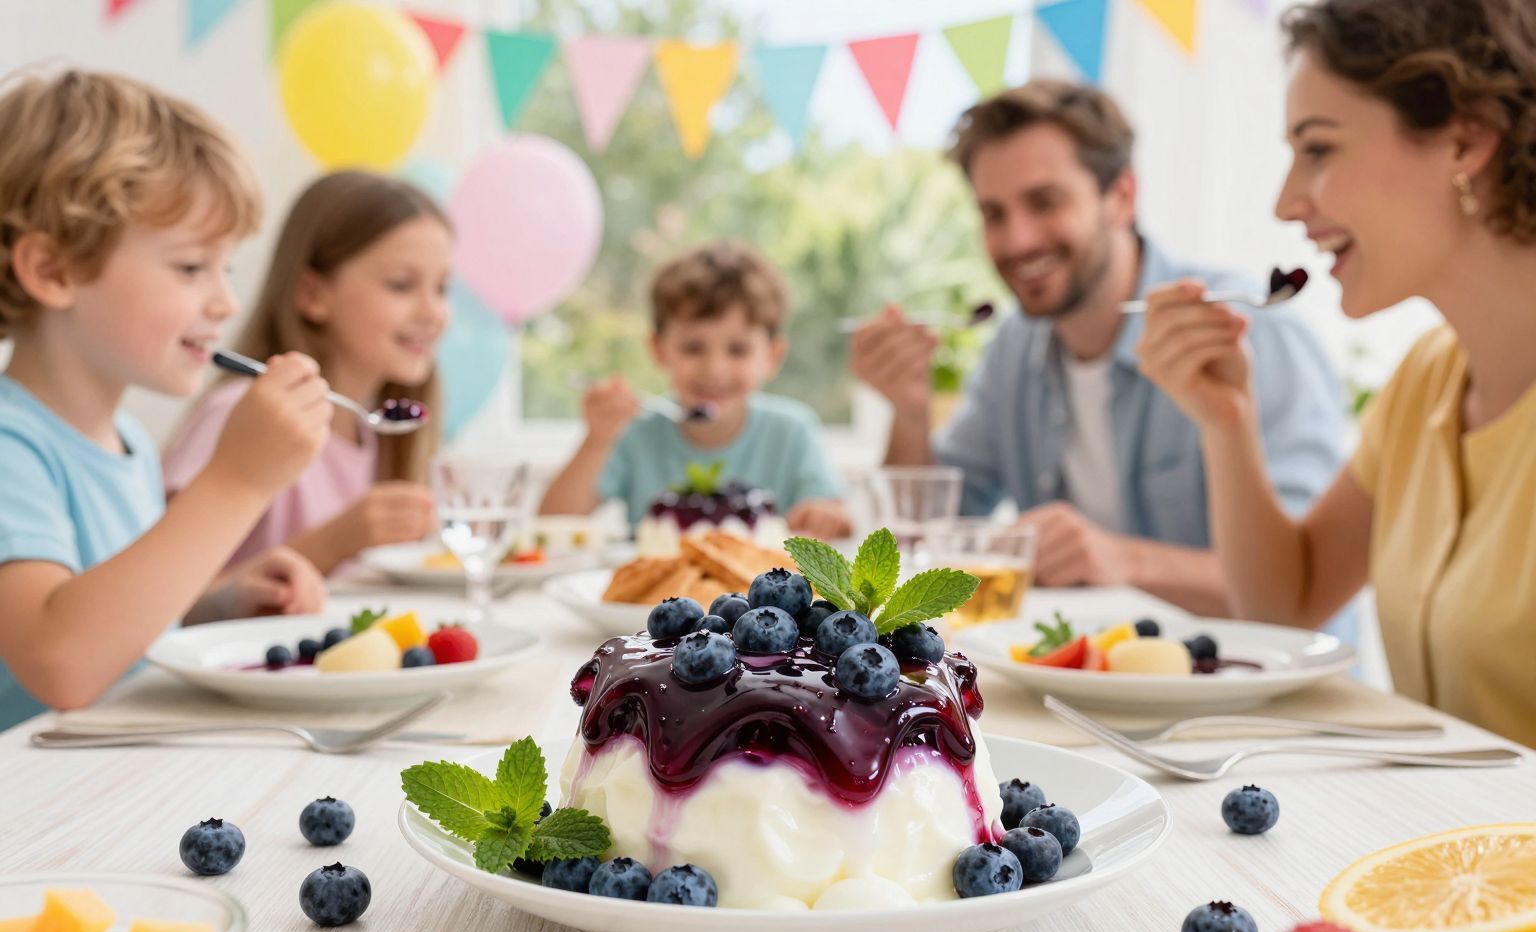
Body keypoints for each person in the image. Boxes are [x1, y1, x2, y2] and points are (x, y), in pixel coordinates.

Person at [1138, 0, 1536, 744]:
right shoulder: (1427, 381)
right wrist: (1227, 420)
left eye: (1317, 149)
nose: (1287, 202)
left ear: (1465, 139)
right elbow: (1286, 607)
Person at [851, 80, 1347, 615]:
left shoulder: (1243, 336)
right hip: (1092, 685)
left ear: (1122, 198)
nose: (1017, 240)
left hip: (1261, 692)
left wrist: (1123, 562)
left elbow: (1311, 580)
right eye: (994, 214)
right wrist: (909, 410)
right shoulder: (1013, 350)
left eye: (1045, 202)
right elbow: (926, 538)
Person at [0, 70, 332, 728]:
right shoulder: (11, 444)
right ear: (53, 271)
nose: (226, 301)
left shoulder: (127, 441)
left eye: (226, 267)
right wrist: (236, 483)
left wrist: (220, 600)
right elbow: (61, 661)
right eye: (190, 267)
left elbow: (116, 620)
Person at [162, 171, 447, 575]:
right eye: (402, 285)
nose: (434, 313)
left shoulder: (376, 432)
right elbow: (164, 601)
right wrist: (335, 542)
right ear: (314, 294)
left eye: (442, 288)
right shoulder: (240, 413)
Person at [540, 240, 852, 539]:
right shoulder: (635, 432)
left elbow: (835, 518)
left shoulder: (791, 431)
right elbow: (551, 523)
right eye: (693, 347)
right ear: (659, 349)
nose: (714, 369)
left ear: (772, 356)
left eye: (738, 350)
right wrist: (598, 439)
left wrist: (824, 516)